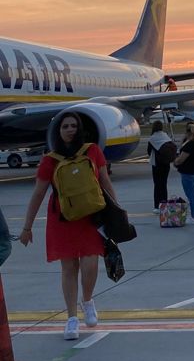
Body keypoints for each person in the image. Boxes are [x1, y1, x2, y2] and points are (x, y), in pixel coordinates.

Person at [18, 111, 121, 340]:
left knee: (90, 262)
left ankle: (87, 300)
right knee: (68, 268)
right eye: (65, 126)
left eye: (74, 125)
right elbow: (38, 194)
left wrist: (116, 213)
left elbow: (105, 181)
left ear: (80, 129)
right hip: (63, 217)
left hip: (90, 215)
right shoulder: (50, 160)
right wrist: (27, 227)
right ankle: (72, 318)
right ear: (58, 131)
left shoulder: (92, 151)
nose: (70, 129)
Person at [174, 122, 194, 223]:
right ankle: (193, 214)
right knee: (192, 192)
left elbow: (181, 158)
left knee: (191, 194)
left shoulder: (190, 144)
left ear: (187, 131)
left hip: (188, 172)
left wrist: (175, 162)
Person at [147, 120, 177, 209]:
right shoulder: (166, 136)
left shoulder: (152, 138)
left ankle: (157, 206)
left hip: (157, 165)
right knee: (164, 184)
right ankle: (165, 203)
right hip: (166, 164)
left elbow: (149, 152)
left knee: (157, 185)